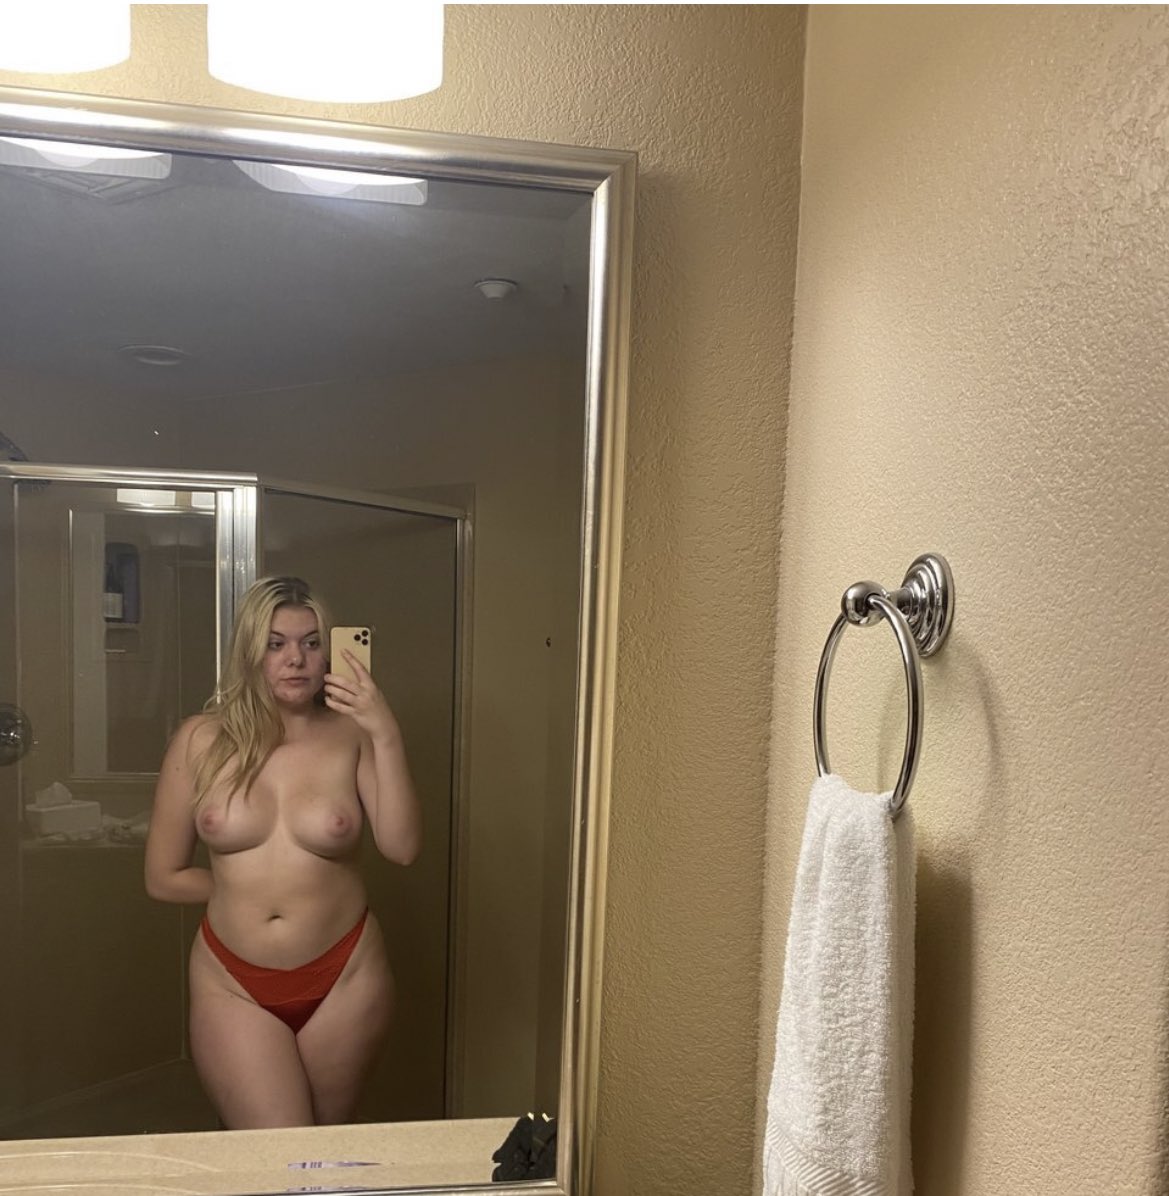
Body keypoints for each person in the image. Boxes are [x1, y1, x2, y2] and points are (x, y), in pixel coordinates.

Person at [144, 575, 420, 1129]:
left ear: (328, 654)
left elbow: (402, 848)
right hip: (232, 981)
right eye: (275, 644)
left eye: (311, 643)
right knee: (278, 1152)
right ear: (251, 652)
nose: (295, 659)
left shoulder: (354, 735)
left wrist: (385, 732)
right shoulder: (199, 740)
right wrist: (247, 890)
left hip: (346, 973)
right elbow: (163, 876)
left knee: (323, 1157)